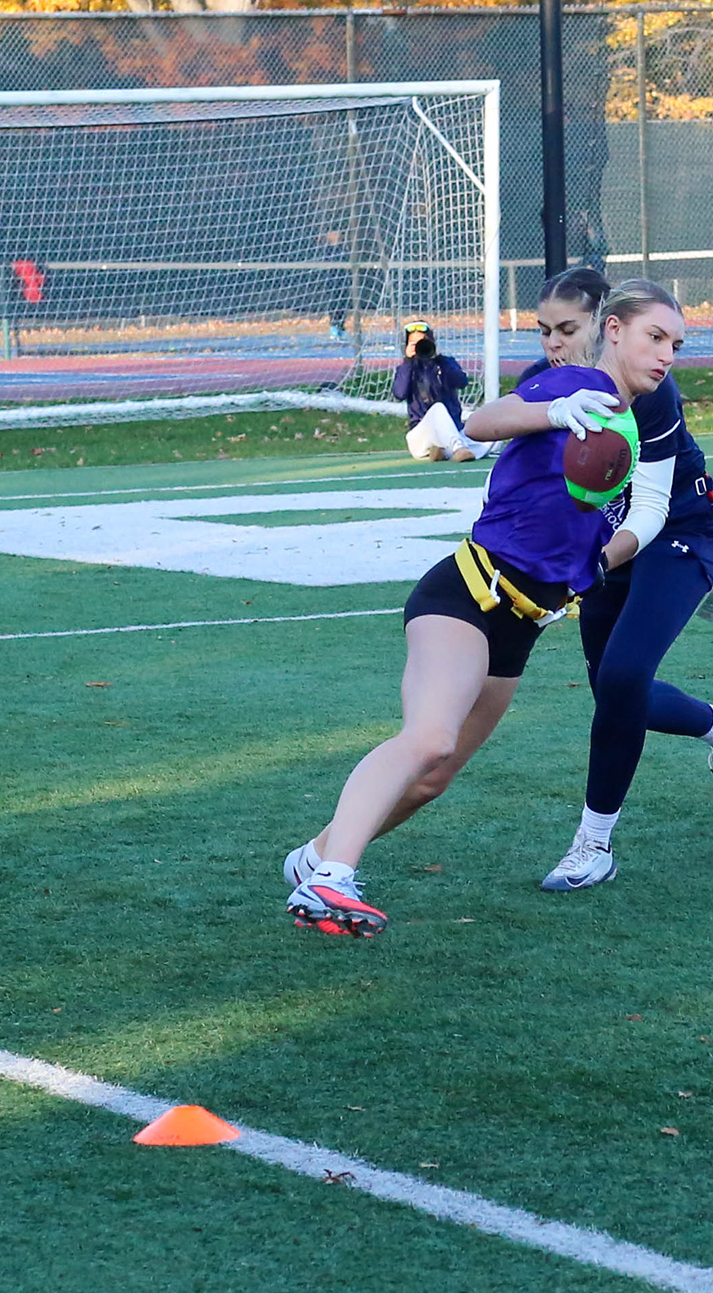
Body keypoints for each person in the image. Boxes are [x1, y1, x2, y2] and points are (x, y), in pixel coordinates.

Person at [280, 286, 682, 936]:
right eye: (654, 337)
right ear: (613, 330)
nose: (666, 355)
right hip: (468, 594)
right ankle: (332, 878)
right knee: (429, 739)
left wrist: (599, 562)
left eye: (675, 345)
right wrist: (554, 411)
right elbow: (482, 422)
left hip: (520, 627)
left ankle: (316, 856)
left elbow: (588, 527)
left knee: (431, 779)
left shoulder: (628, 421)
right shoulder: (576, 385)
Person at [536, 278, 713, 893]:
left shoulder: (652, 393)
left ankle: (593, 845)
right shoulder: (548, 383)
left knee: (624, 677)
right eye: (545, 331)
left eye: (567, 329)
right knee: (612, 692)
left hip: (677, 534)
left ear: (604, 328)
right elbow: (499, 440)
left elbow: (653, 508)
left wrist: (593, 564)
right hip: (611, 545)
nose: (554, 344)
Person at [393, 321, 488, 462]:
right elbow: (399, 393)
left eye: (423, 342)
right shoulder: (407, 368)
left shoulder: (444, 363)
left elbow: (461, 382)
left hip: (453, 431)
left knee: (494, 437)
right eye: (414, 344)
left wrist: (439, 360)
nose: (420, 347)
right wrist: (408, 362)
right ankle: (457, 449)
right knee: (438, 408)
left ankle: (445, 451)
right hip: (421, 435)